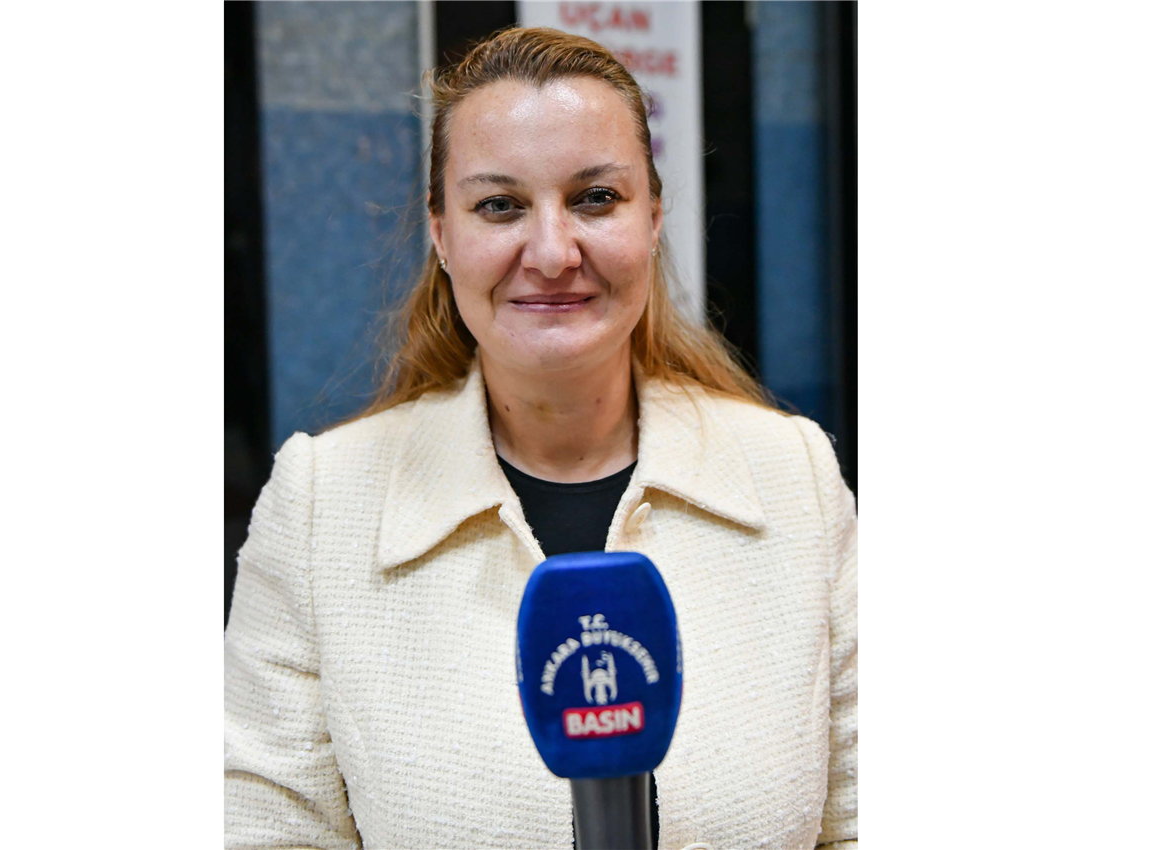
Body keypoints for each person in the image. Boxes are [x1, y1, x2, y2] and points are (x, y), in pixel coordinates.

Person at [225, 26, 856, 850]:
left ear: (653, 218)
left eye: (595, 198)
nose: (553, 253)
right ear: (441, 233)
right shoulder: (322, 506)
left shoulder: (793, 475)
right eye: (499, 206)